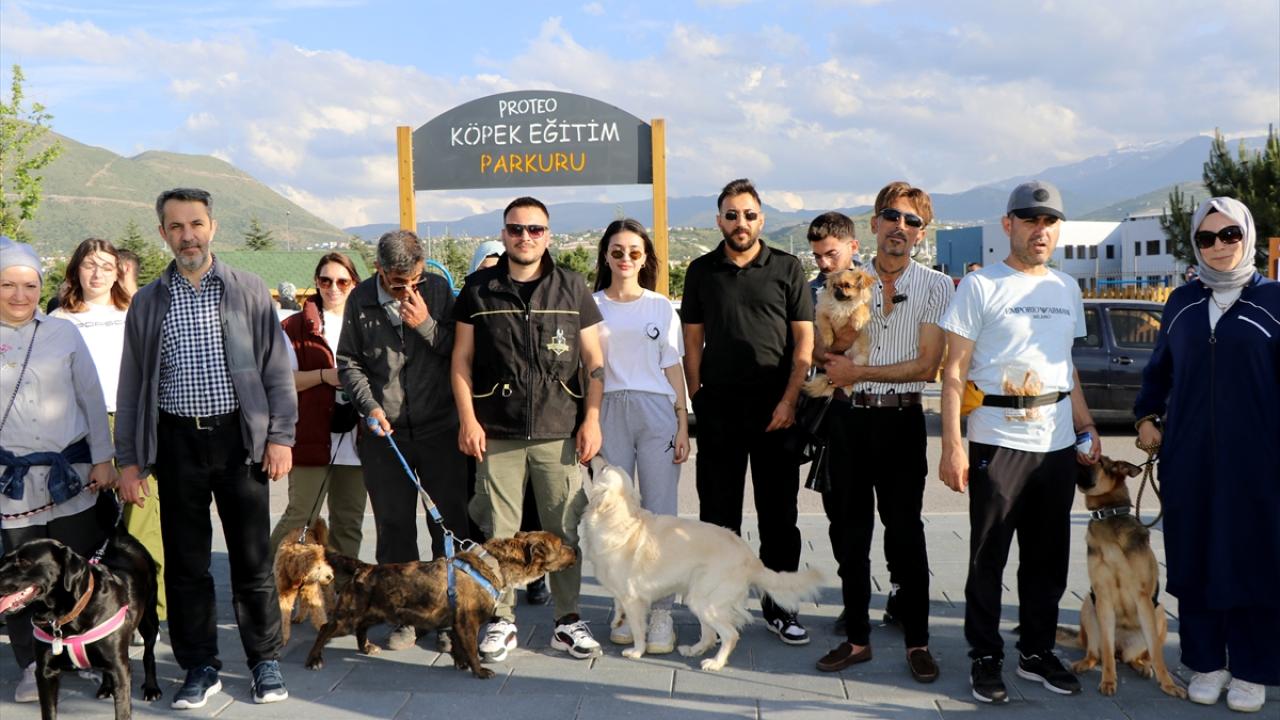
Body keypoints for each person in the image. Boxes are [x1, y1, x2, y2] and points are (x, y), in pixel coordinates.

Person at [115, 188, 296, 709]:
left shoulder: (248, 289)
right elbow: (132, 386)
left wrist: (280, 436)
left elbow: (276, 370)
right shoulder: (148, 302)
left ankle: (264, 661)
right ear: (163, 234)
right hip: (176, 444)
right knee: (186, 563)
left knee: (252, 559)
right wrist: (129, 461)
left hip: (239, 440)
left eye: (195, 224)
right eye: (176, 226)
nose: (187, 235)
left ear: (212, 227)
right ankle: (199, 666)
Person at [938, 180, 1101, 704]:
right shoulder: (980, 286)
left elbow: (1065, 367)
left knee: (1048, 558)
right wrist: (952, 445)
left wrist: (1086, 424)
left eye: (1049, 221)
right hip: (997, 440)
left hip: (1056, 444)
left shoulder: (1066, 288)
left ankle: (1036, 652)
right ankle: (985, 656)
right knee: (989, 556)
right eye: (1030, 219)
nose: (1040, 230)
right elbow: (953, 372)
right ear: (1008, 224)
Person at [1133, 197, 1278, 714]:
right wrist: (1146, 416)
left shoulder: (1274, 301)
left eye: (1229, 234)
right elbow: (1159, 370)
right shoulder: (1182, 303)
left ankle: (1253, 669)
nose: (1219, 246)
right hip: (1188, 458)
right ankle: (1205, 662)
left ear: (1248, 236)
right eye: (1206, 238)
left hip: (1259, 464)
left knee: (1254, 561)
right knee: (1193, 558)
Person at [452, 196, 605, 662]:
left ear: (548, 235)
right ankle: (501, 620)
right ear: (503, 234)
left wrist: (592, 418)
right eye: (516, 229)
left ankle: (567, 620)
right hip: (496, 429)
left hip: (559, 429)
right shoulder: (478, 289)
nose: (525, 237)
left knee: (564, 530)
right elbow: (460, 360)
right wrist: (468, 420)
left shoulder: (572, 286)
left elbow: (595, 362)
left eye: (535, 229)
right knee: (498, 533)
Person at [813, 183, 954, 682]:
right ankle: (856, 640)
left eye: (912, 221)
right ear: (874, 223)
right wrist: (840, 352)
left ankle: (918, 642)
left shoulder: (937, 286)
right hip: (848, 420)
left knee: (906, 533)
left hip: (902, 421)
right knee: (851, 535)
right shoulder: (843, 279)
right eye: (892, 216)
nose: (901, 227)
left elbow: (928, 365)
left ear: (922, 233)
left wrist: (859, 372)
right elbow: (821, 353)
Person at [681, 178, 815, 645]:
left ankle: (782, 608)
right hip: (719, 411)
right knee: (719, 519)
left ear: (762, 219)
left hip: (777, 412)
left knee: (779, 518)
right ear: (719, 220)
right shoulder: (701, 271)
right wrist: (697, 393)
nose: (742, 223)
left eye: (750, 215)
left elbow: (804, 344)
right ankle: (720, 607)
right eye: (732, 215)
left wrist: (789, 400)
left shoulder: (787, 267)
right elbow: (692, 341)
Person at [337, 230, 471, 652]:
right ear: (379, 269)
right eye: (398, 283)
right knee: (394, 527)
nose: (407, 289)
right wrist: (368, 406)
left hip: (439, 427)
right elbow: (349, 363)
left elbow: (461, 352)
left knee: (447, 524)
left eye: (414, 279)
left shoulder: (440, 290)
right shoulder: (360, 299)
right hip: (385, 433)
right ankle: (404, 615)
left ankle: (448, 615)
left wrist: (426, 324)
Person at [0, 237, 116, 703]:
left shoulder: (63, 333)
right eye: (8, 285)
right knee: (18, 575)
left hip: (71, 474)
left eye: (29, 285)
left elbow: (91, 397)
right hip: (11, 481)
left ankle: (78, 650)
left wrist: (104, 459)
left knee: (76, 566)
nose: (20, 295)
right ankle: (33, 664)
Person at [50, 237, 168, 625]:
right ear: (75, 271)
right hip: (78, 429)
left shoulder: (135, 313)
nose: (97, 273)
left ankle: (150, 613)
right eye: (89, 265)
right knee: (83, 525)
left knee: (142, 521)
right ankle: (84, 612)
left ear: (119, 271)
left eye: (105, 265)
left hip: (132, 422)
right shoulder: (57, 322)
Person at [591, 218, 690, 654]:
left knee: (660, 512)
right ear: (606, 256)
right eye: (617, 251)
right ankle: (624, 606)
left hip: (656, 412)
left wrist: (683, 422)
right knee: (615, 516)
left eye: (634, 251)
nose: (625, 258)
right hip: (609, 408)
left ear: (645, 256)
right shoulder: (591, 305)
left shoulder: (660, 306)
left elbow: (673, 366)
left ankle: (662, 612)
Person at [269, 253, 367, 560]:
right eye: (326, 281)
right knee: (301, 518)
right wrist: (326, 376)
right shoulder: (294, 327)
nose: (333, 288)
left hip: (357, 439)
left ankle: (341, 586)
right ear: (316, 282)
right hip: (311, 434)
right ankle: (267, 580)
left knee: (349, 522)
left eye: (342, 281)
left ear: (354, 283)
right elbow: (281, 380)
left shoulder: (367, 322)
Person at [807, 211, 861, 305]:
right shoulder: (807, 296)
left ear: (853, 247)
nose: (824, 264)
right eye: (817, 256)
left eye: (831, 254)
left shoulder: (878, 285)